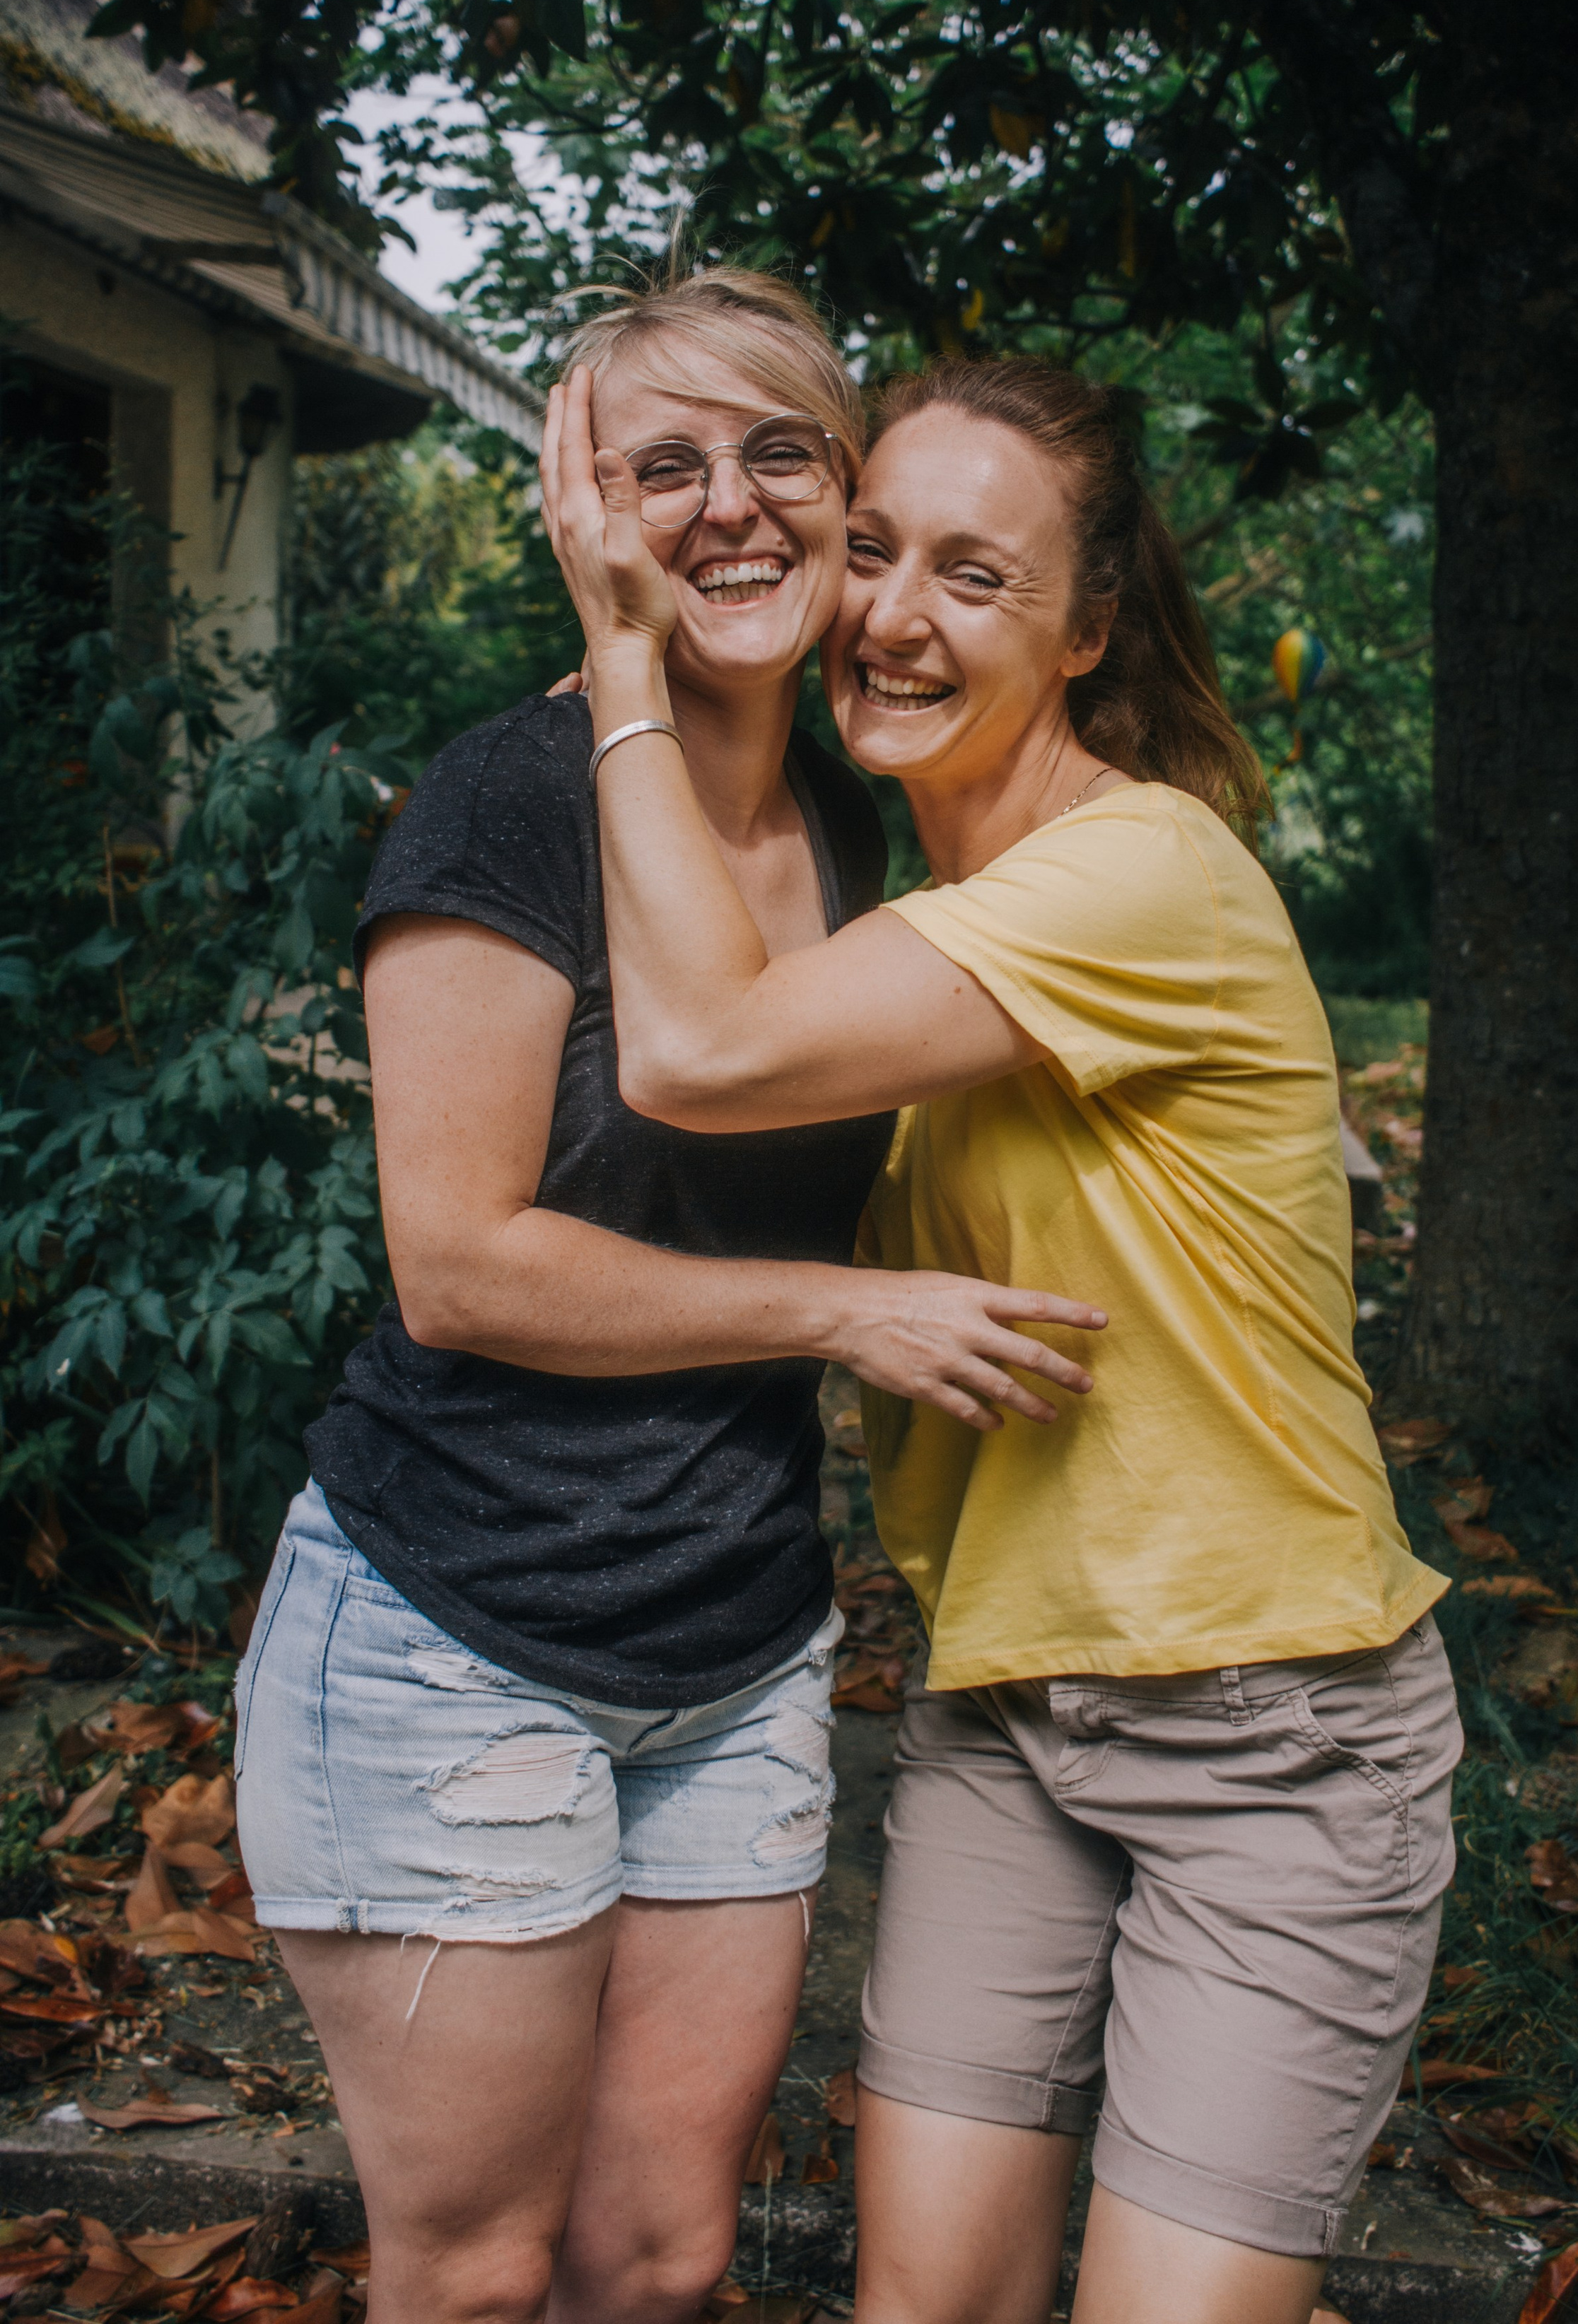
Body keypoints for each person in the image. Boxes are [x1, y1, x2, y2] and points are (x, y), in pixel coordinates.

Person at [540, 349, 1461, 2324]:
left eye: (975, 574)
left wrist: (625, 655)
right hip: (1007, 1710)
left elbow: (698, 1049)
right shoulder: (912, 917)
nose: (887, 612)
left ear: (1087, 630)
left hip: (1270, 1732)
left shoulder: (1140, 875)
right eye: (871, 550)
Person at [233, 277, 1104, 2324]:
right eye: (663, 465)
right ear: (585, 513)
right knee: (470, 2272)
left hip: (732, 1650)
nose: (727, 507)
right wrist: (842, 1316)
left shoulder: (849, 816)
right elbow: (457, 1263)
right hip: (462, 1629)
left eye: (779, 452)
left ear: (848, 493)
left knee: (662, 2254)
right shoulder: (510, 801)